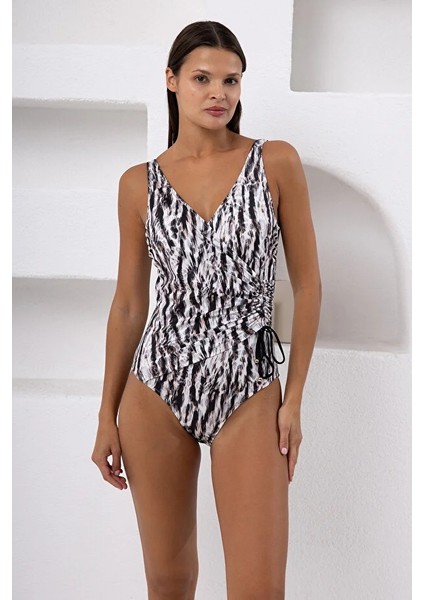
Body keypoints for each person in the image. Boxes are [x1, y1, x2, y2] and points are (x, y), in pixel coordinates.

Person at [91, 20, 321, 600]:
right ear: (171, 81)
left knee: (259, 589)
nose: (219, 93)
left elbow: (309, 284)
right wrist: (105, 415)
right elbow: (129, 305)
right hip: (156, 387)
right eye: (202, 78)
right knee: (168, 582)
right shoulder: (139, 184)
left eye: (231, 80)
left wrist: (294, 398)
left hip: (249, 384)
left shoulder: (275, 162)